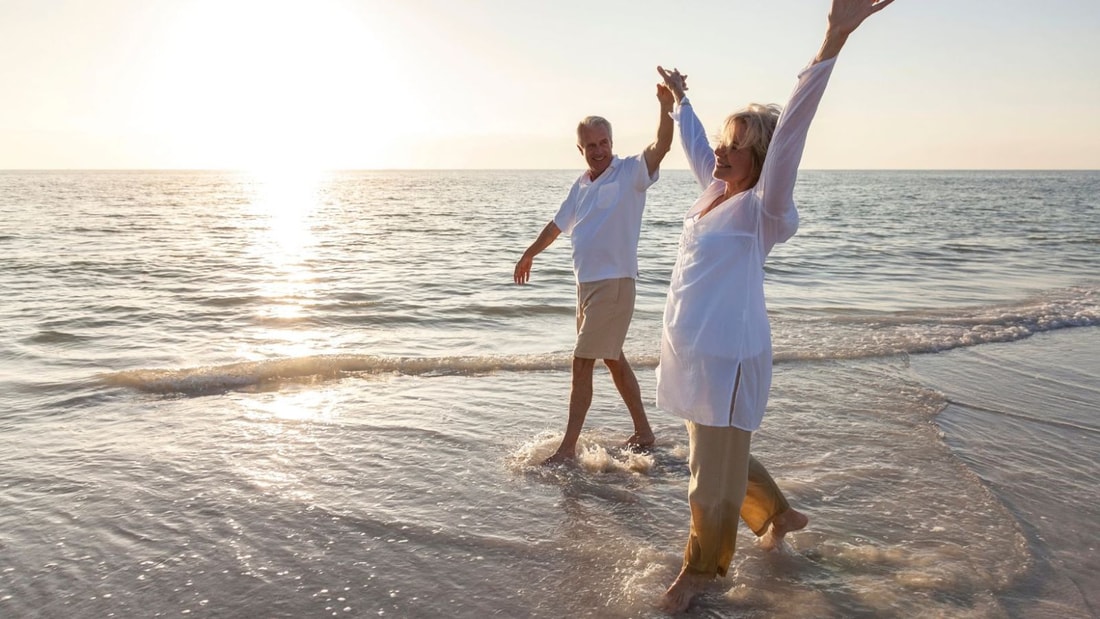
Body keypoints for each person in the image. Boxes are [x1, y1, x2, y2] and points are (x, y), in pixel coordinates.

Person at [653, 0, 896, 612]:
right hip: (694, 354)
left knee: (709, 472)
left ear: (759, 158)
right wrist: (682, 101)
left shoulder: (763, 209)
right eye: (723, 144)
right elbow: (693, 144)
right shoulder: (713, 193)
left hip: (730, 356)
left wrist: (831, 43)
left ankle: (703, 571)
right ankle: (779, 516)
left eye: (736, 147)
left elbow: (791, 135)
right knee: (718, 452)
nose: (721, 153)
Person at [514, 82, 676, 466]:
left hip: (615, 283)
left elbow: (661, 146)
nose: (600, 150)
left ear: (611, 142)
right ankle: (645, 431)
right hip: (585, 287)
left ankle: (567, 447)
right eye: (592, 146)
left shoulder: (630, 173)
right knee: (613, 359)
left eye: (604, 143)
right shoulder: (581, 184)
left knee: (581, 360)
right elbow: (556, 226)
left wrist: (665, 106)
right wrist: (529, 254)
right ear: (581, 149)